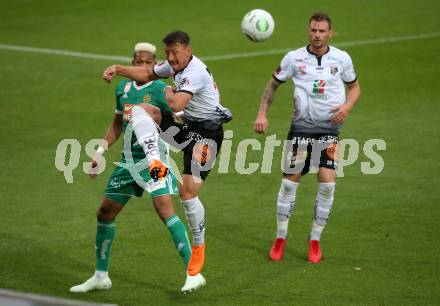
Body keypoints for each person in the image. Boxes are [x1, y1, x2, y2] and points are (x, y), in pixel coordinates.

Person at [70, 42, 201, 294]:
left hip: (155, 159)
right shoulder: (123, 88)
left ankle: (193, 273)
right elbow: (117, 124)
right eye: (138, 61)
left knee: (165, 210)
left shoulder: (162, 89)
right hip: (128, 162)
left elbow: (180, 123)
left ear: (155, 64)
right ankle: (100, 276)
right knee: (105, 213)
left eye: (147, 62)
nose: (142, 66)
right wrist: (99, 152)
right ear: (133, 61)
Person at [102, 31, 232, 285]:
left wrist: (166, 91)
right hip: (185, 128)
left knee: (187, 193)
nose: (170, 58)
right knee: (141, 110)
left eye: (175, 53)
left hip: (206, 135)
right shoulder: (173, 64)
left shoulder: (195, 72)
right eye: (167, 53)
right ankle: (155, 160)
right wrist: (118, 69)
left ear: (188, 50)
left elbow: (175, 104)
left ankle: (199, 245)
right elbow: (148, 74)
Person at [254, 12, 361, 263]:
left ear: (330, 33)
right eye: (313, 30)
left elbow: (355, 86)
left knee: (327, 186)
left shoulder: (342, 58)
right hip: (301, 130)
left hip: (329, 131)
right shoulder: (294, 58)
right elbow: (272, 85)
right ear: (308, 31)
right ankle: (280, 238)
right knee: (289, 185)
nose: (317, 35)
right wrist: (262, 113)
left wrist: (347, 107)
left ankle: (315, 240)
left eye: (322, 31)